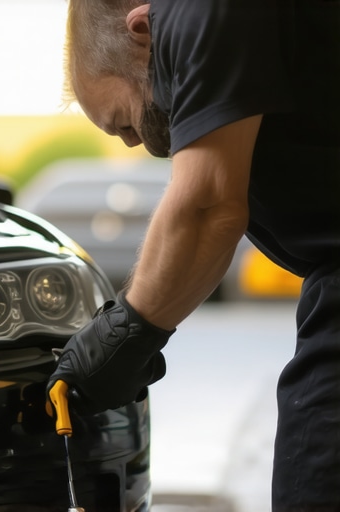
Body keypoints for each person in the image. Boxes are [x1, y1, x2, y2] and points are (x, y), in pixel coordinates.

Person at [47, 0, 340, 510]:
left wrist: (120, 338)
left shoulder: (199, 9)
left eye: (122, 123)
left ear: (143, 31)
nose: (138, 143)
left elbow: (207, 210)